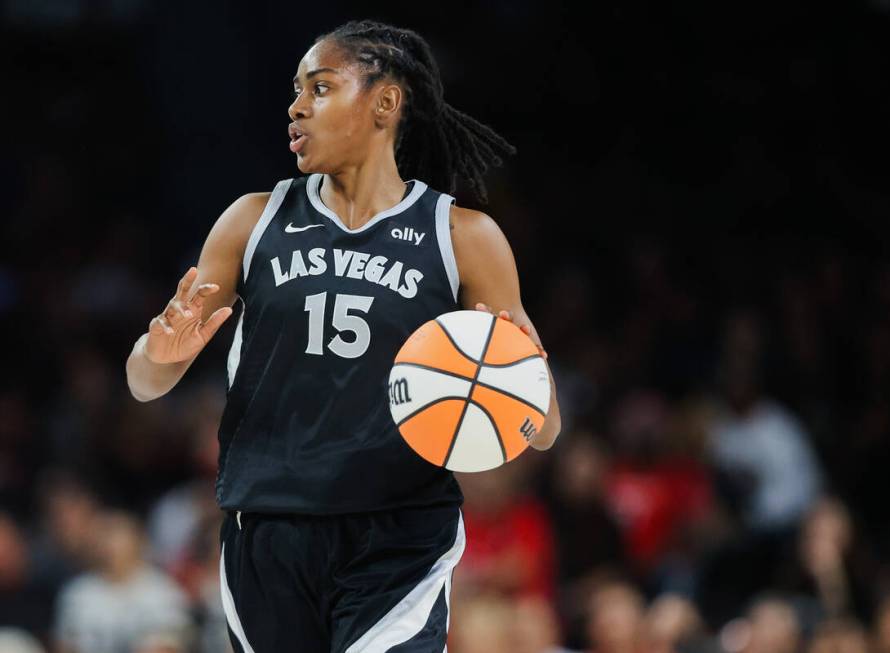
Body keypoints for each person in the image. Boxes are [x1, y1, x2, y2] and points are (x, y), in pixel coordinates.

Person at [125, 18, 562, 653]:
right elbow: (143, 384)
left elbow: (540, 431)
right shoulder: (252, 219)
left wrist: (530, 380)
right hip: (269, 528)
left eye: (321, 88)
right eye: (296, 91)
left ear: (386, 102)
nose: (297, 107)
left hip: (399, 534)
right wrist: (157, 355)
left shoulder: (463, 237)